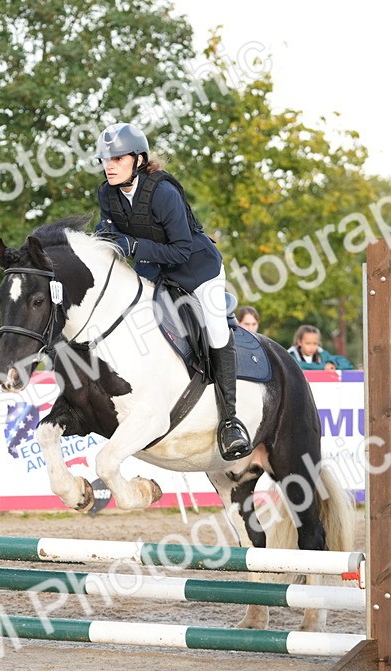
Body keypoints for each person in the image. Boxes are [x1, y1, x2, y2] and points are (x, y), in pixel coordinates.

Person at [93, 121, 250, 460]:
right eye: (106, 159)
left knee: (216, 331)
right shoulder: (106, 193)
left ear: (138, 159)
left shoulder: (163, 193)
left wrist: (132, 245)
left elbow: (180, 250)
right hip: (156, 271)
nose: (109, 166)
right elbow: (106, 231)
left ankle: (231, 421)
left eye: (118, 158)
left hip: (197, 269)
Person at [287, 324, 353, 371]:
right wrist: (323, 367)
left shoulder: (321, 354)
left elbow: (347, 364)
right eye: (308, 343)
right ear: (299, 342)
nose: (312, 347)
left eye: (315, 343)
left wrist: (332, 364)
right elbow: (297, 366)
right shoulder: (290, 355)